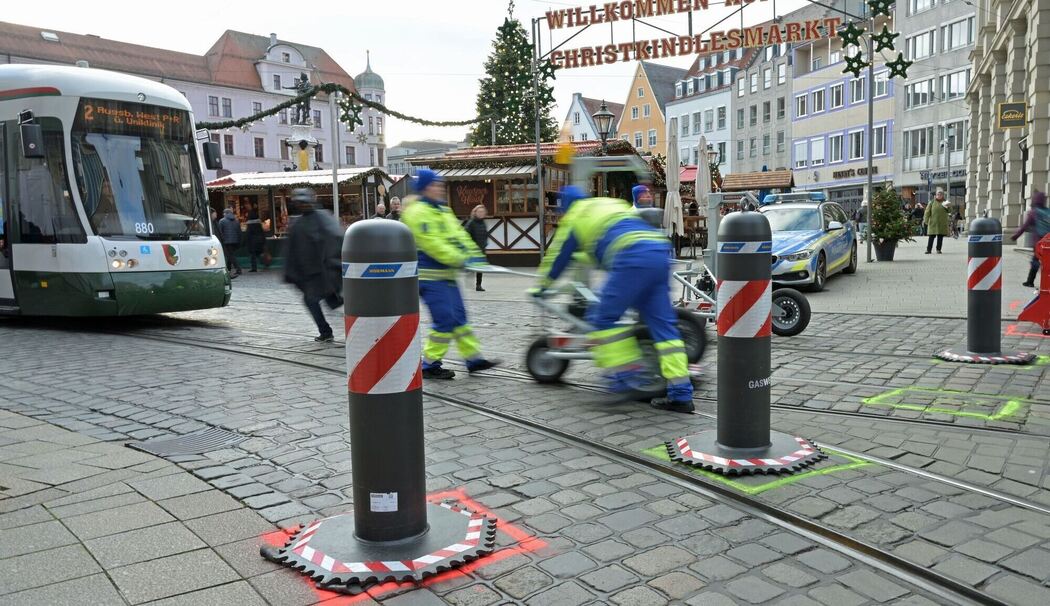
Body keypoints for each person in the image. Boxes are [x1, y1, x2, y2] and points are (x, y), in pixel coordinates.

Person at [533, 186, 694, 413]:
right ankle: (681, 394)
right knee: (664, 328)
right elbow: (607, 236)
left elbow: (559, 258)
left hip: (631, 257)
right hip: (658, 252)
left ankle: (626, 380)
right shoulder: (611, 204)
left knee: (602, 318)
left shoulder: (575, 217)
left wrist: (541, 287)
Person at [401, 169, 499, 379]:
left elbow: (461, 237)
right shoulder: (416, 213)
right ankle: (428, 365)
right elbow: (433, 244)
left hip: (447, 276)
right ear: (426, 188)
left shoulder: (443, 211)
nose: (440, 187)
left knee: (460, 319)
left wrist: (477, 258)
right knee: (445, 320)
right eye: (436, 184)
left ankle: (473, 359)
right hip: (429, 278)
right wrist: (461, 259)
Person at [283, 189, 344, 342]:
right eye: (299, 203)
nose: (302, 205)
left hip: (325, 272)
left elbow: (335, 240)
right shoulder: (298, 223)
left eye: (304, 202)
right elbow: (292, 248)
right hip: (312, 275)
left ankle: (329, 331)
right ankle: (325, 331)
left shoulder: (322, 218)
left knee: (334, 300)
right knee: (313, 300)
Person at [1012, 191, 1049, 287]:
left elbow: (1024, 226)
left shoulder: (1033, 212)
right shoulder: (1048, 211)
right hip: (1048, 241)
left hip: (1039, 242)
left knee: (1036, 261)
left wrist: (1015, 236)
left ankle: (1030, 281)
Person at [464, 205, 489, 292]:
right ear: (475, 213)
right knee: (472, 266)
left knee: (480, 268)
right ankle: (468, 272)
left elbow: (485, 234)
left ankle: (478, 285)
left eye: (483, 212)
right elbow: (465, 235)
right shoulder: (471, 223)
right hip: (472, 249)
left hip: (481, 248)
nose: (481, 213)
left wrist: (485, 243)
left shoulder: (483, 223)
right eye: (479, 212)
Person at [218, 208, 243, 277]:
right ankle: (228, 269)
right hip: (235, 241)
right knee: (230, 255)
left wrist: (222, 240)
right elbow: (239, 232)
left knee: (230, 255)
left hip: (227, 241)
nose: (223, 214)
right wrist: (239, 241)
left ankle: (238, 269)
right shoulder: (236, 221)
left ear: (225, 213)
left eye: (223, 213)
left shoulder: (222, 221)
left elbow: (220, 232)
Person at [924, 189, 949, 254]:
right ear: (935, 195)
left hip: (941, 223)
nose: (939, 196)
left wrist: (947, 207)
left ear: (942, 195)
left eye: (941, 194)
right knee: (931, 237)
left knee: (940, 237)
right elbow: (927, 212)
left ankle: (938, 249)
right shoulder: (931, 202)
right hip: (933, 223)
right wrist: (926, 220)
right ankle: (929, 250)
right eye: (938, 194)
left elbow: (950, 211)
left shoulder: (945, 202)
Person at [244, 205, 266, 272]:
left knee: (253, 256)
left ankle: (254, 268)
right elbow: (262, 233)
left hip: (252, 242)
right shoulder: (258, 224)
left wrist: (245, 242)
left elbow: (248, 234)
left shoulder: (250, 225)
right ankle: (265, 264)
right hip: (259, 241)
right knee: (259, 254)